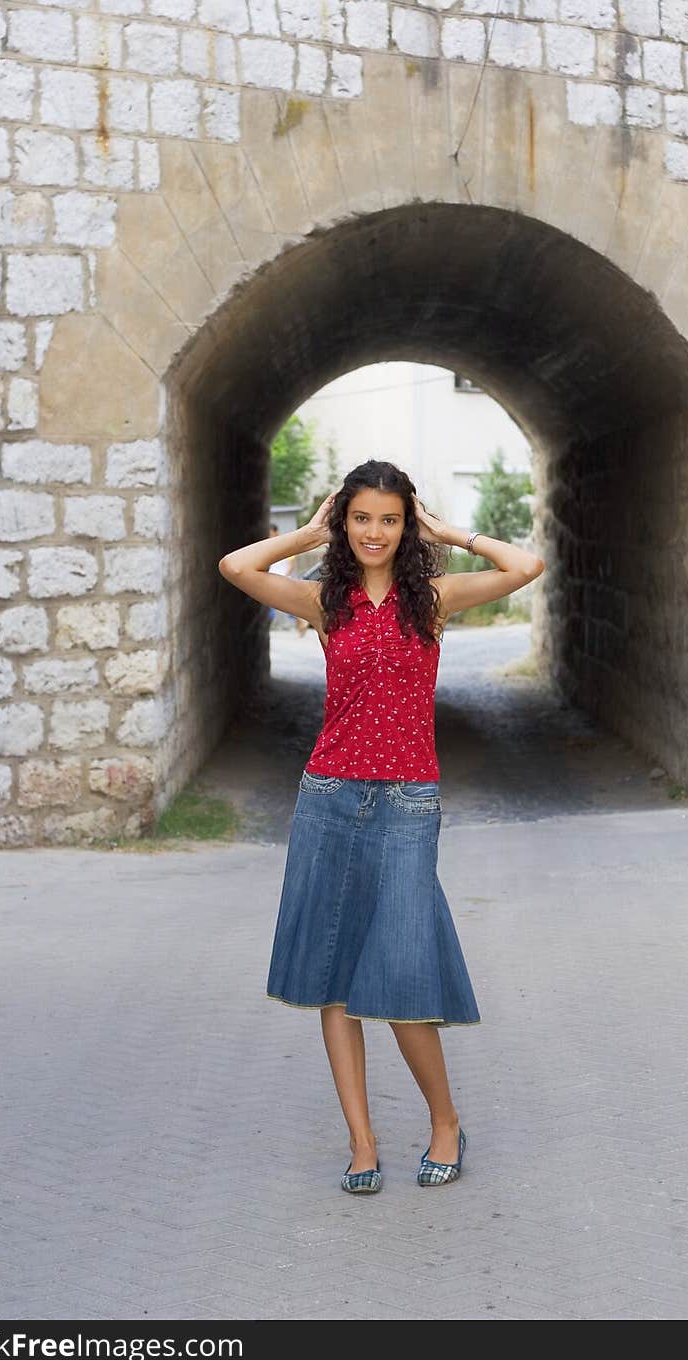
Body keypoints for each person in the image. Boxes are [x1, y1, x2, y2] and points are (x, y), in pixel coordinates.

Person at [218, 460, 545, 1194]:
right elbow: (236, 565)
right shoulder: (321, 603)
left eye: (389, 519)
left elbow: (527, 563)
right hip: (328, 798)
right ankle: (363, 1144)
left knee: (398, 979)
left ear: (406, 526)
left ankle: (444, 1122)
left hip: (407, 807)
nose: (374, 532)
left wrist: (450, 530)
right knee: (335, 984)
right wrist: (307, 532)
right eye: (361, 518)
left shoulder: (430, 599)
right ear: (346, 522)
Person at [266, 524, 294, 626]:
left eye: (270, 532)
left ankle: (295, 620)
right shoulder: (267, 545)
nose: (269, 535)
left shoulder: (285, 545)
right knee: (272, 603)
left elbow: (291, 564)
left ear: (276, 531)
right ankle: (273, 623)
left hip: (282, 579)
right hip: (271, 579)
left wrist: (285, 577)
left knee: (286, 604)